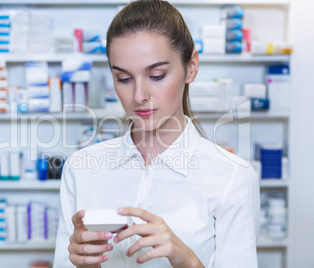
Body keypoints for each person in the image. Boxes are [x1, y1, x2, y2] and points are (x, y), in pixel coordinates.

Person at [54, 0, 260, 267]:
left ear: (191, 67)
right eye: (124, 79)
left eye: (157, 75)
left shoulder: (233, 178)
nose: (139, 96)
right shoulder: (80, 169)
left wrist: (187, 260)